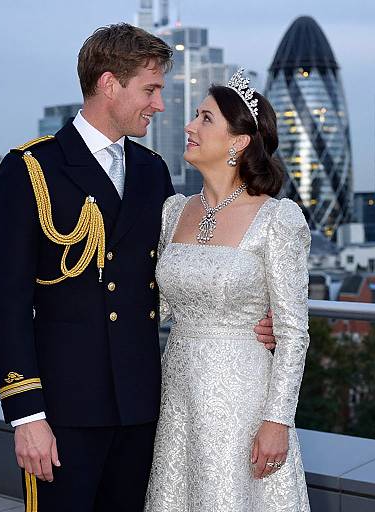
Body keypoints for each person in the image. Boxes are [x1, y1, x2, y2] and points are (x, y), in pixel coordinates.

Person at [0, 25, 276, 511]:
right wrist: (26, 415)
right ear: (108, 85)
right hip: (63, 411)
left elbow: (176, 272)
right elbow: (5, 303)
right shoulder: (31, 170)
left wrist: (252, 322)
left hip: (143, 406)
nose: (160, 104)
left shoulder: (151, 170)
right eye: (151, 89)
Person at [144, 69, 311, 511]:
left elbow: (294, 332)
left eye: (205, 118)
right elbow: (154, 308)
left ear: (238, 141)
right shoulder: (173, 211)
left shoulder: (279, 219)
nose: (189, 126)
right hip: (177, 392)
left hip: (242, 397)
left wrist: (278, 421)